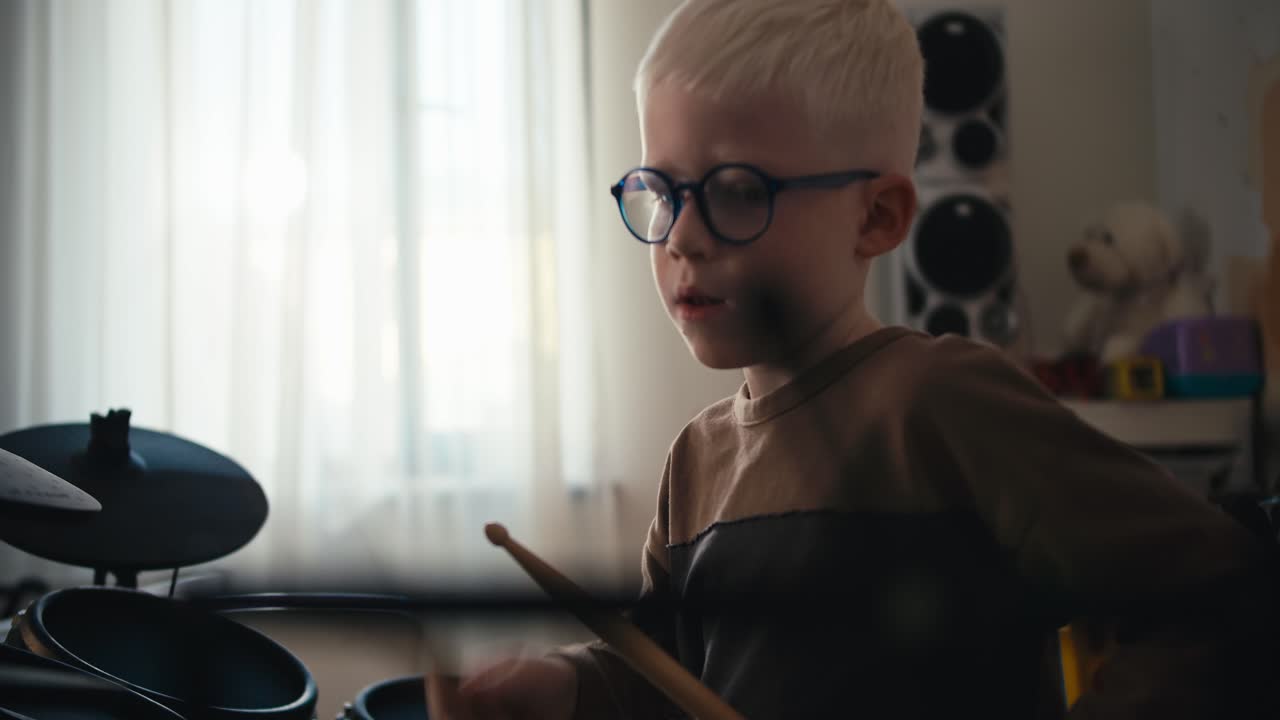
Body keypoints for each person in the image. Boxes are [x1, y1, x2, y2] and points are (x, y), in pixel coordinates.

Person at [434, 1, 1278, 717]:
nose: (682, 237)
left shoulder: (941, 405)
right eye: (661, 191)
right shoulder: (697, 461)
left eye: (734, 191)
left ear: (875, 218)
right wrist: (563, 686)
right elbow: (668, 672)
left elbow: (1222, 592)